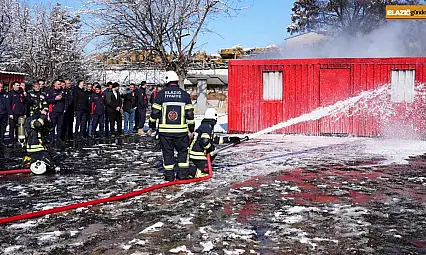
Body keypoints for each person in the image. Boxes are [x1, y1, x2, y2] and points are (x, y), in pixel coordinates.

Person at [148, 71, 195, 181]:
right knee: (183, 152)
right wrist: (191, 129)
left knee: (167, 153)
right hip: (181, 132)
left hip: (165, 133)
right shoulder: (184, 95)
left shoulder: (160, 95)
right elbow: (189, 114)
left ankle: (169, 176)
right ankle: (182, 175)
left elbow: (155, 113)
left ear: (167, 81)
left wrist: (152, 125)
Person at [188, 108, 246, 178]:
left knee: (213, 152)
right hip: (198, 155)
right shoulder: (207, 127)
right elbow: (204, 142)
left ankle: (196, 169)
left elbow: (217, 139)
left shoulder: (205, 126)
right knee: (204, 174)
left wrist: (230, 139)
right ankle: (189, 171)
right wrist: (211, 149)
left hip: (195, 154)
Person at [22, 102, 55, 174]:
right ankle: (28, 160)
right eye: (42, 110)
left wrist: (48, 120)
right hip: (33, 149)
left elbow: (50, 129)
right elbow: (38, 124)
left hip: (42, 148)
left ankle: (31, 160)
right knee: (47, 166)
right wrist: (43, 115)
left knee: (51, 165)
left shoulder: (42, 119)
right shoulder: (29, 120)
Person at [7, 81, 27, 147]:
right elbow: (8, 104)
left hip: (20, 113)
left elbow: (24, 103)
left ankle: (17, 141)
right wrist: (10, 113)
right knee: (12, 128)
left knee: (19, 128)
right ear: (13, 86)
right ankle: (11, 141)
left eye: (19, 85)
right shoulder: (10, 93)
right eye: (17, 85)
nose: (18, 86)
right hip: (13, 113)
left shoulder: (21, 93)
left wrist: (24, 113)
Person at [0, 82, 7, 146]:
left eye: (2, 87)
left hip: (4, 114)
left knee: (3, 128)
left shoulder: (5, 94)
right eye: (0, 87)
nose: (1, 88)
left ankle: (1, 140)